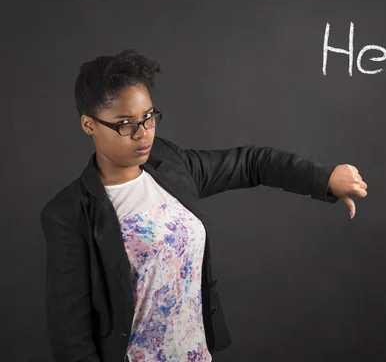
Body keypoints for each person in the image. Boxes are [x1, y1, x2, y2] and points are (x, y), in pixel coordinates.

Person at [39, 49, 368, 362]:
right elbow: (72, 337)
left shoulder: (169, 164)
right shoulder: (70, 213)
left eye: (149, 118)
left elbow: (249, 163)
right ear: (89, 125)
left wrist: (323, 178)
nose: (143, 134)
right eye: (126, 124)